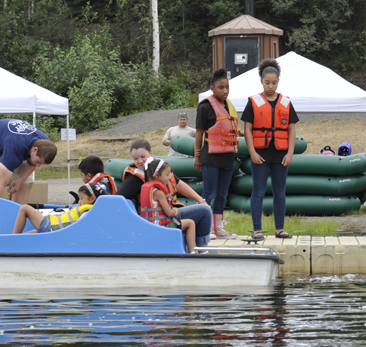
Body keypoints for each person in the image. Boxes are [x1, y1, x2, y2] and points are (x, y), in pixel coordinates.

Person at [241, 58, 299, 242]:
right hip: (260, 154)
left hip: (281, 155)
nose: (271, 86)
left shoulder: (286, 102)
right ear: (261, 81)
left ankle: (280, 229)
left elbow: (291, 129)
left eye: (274, 83)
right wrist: (252, 153)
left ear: (278, 81)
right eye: (267, 83)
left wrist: (290, 153)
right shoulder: (254, 101)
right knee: (258, 191)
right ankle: (257, 230)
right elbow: (247, 129)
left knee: (279, 192)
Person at [119, 138, 213, 247]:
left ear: (151, 153)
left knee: (203, 207)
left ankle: (196, 249)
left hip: (166, 214)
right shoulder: (134, 179)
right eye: (135, 158)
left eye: (143, 156)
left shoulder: (157, 167)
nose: (140, 161)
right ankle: (202, 250)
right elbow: (117, 199)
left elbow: (178, 184)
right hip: (161, 219)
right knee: (205, 211)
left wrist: (200, 200)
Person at [194, 69, 239, 240]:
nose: (225, 91)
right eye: (221, 87)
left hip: (227, 157)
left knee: (222, 194)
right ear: (212, 88)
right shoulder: (205, 107)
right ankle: (203, 228)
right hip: (210, 157)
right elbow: (199, 133)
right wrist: (197, 157)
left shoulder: (229, 106)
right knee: (209, 193)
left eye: (227, 87)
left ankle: (219, 228)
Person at [0, 119, 58, 204]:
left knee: (26, 183)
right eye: (38, 162)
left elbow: (31, 163)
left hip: (6, 142)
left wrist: (20, 180)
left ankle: (18, 214)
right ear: (35, 150)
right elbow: (0, 183)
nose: (38, 166)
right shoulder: (16, 147)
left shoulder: (45, 144)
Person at [138, 159, 198, 253]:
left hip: (150, 225)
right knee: (190, 223)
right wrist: (175, 211)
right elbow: (169, 213)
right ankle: (193, 252)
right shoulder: (159, 193)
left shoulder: (147, 189)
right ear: (157, 175)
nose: (169, 178)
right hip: (161, 226)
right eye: (166, 175)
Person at [13, 184, 94, 234]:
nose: (79, 202)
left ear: (91, 199)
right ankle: (15, 239)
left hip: (51, 228)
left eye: (81, 198)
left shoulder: (86, 213)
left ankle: (12, 238)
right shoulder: (86, 210)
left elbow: (79, 226)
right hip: (52, 227)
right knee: (24, 236)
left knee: (24, 208)